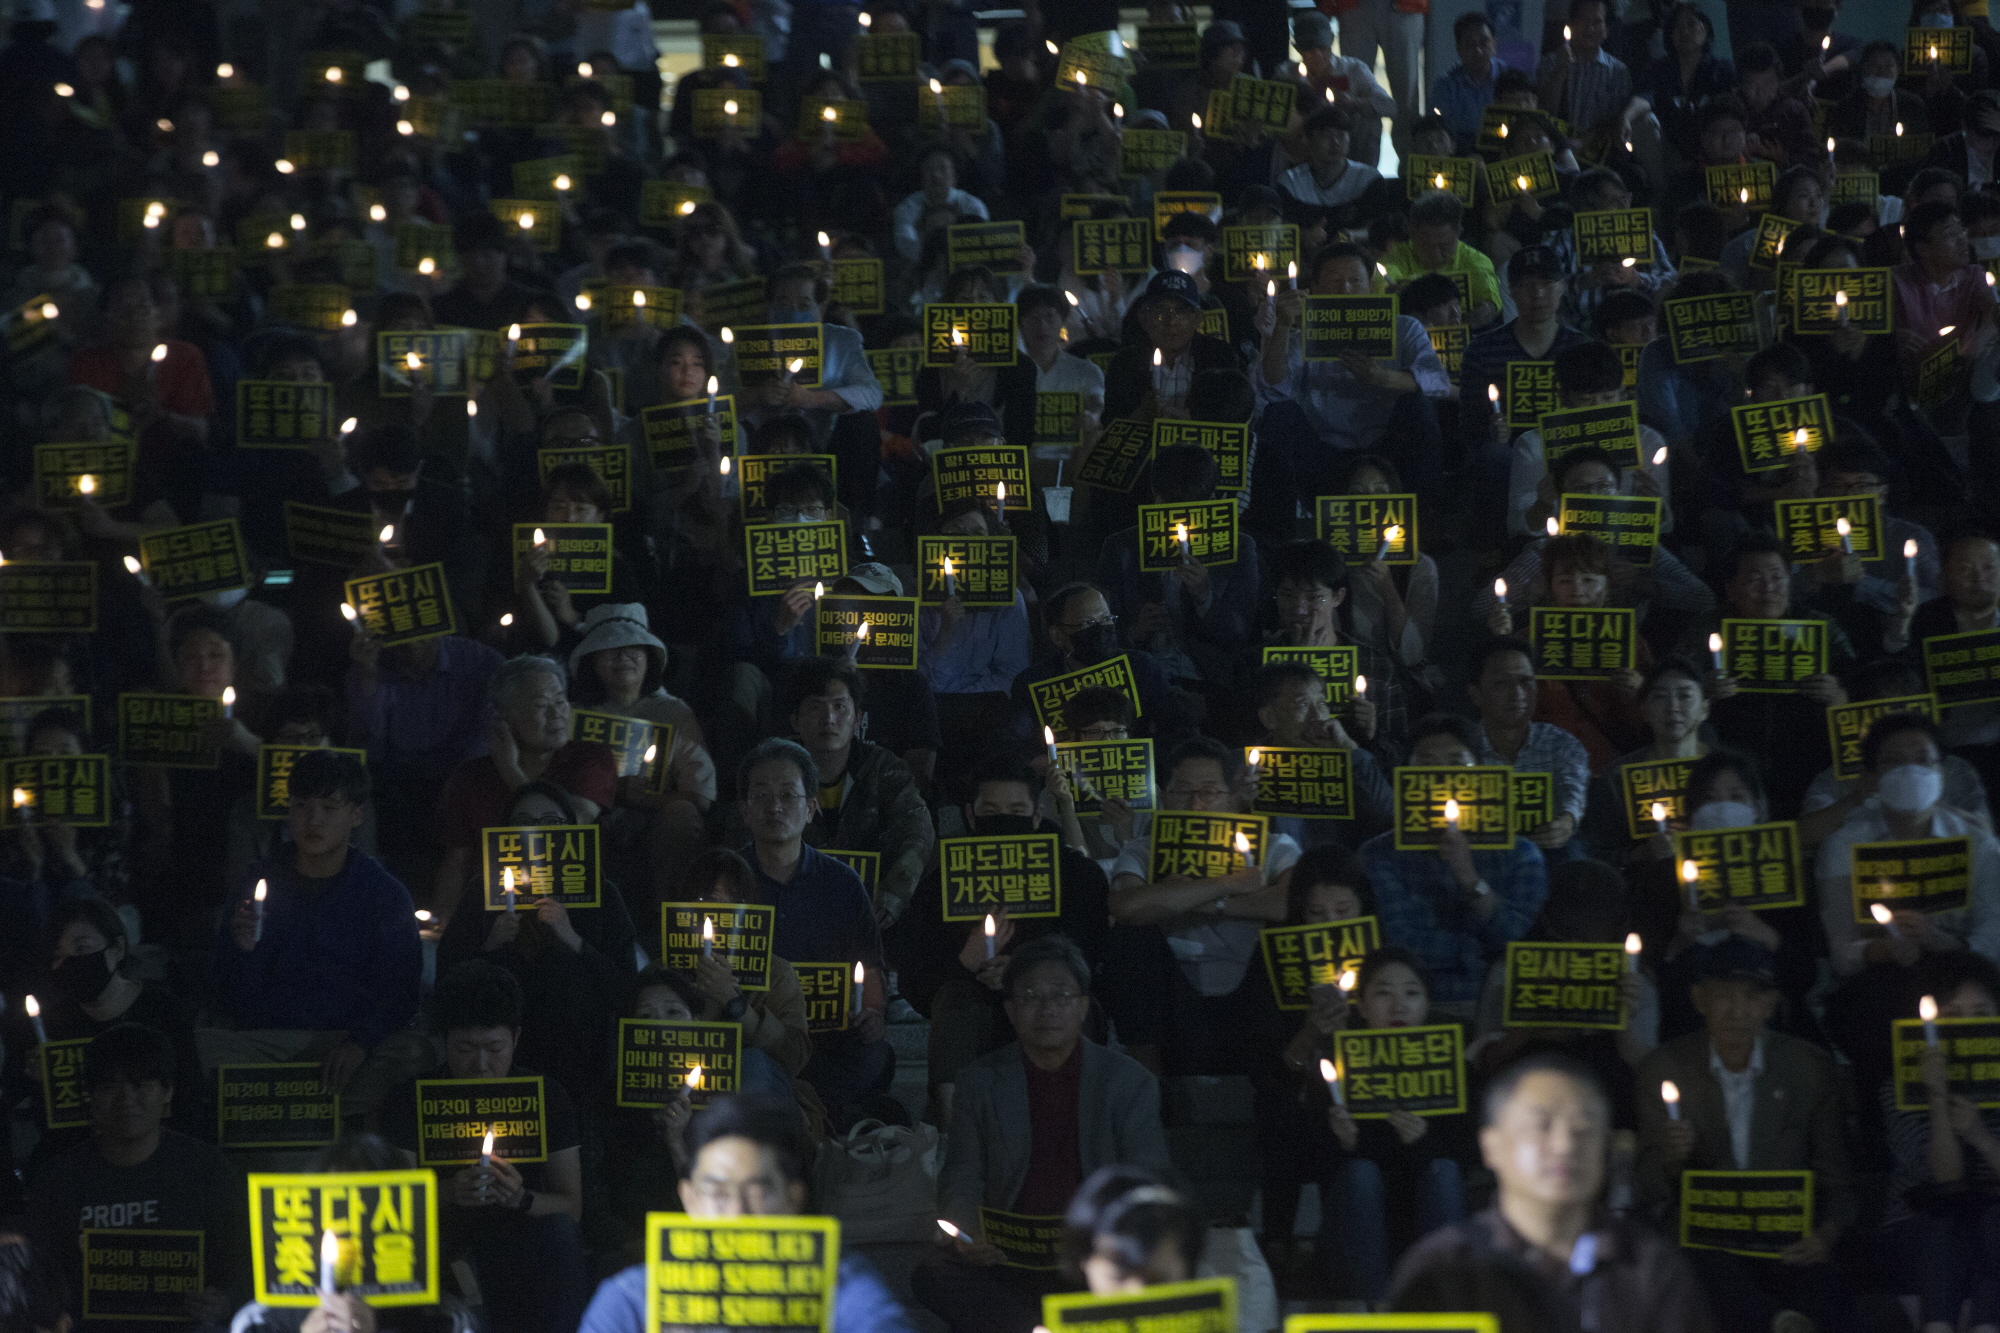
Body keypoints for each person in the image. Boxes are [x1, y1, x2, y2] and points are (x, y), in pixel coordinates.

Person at [914, 935, 1171, 1333]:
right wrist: (967, 1233)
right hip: (1008, 1255)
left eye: (1062, 995)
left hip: (1091, 1255)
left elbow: (1147, 1177)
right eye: (1032, 996)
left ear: (1084, 1006)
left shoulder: (1128, 1082)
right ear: (1012, 1010)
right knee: (933, 1273)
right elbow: (963, 1172)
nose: (1048, 1008)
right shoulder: (980, 1082)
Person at [1392, 1052, 1715, 1333]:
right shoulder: (1442, 1268)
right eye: (1540, 1126)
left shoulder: (1649, 1269)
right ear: (1491, 1146)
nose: (1564, 1145)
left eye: (1583, 1128)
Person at [1634, 936, 1854, 1333]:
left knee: (1823, 1283)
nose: (1737, 1010)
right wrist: (1670, 1158)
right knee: (1701, 1270)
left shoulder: (1808, 1068)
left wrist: (1825, 1235)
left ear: (1771, 1005)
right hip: (1706, 1242)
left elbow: (1837, 1179)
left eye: (1752, 997)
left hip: (1785, 1237)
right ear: (1700, 1000)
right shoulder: (1665, 1068)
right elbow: (1647, 1189)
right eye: (1723, 996)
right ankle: (1780, 1324)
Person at [577, 1096, 920, 1333]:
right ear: (690, 1199)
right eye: (718, 1192)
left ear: (793, 1199)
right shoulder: (632, 1299)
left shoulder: (841, 1285)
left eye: (760, 1190)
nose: (738, 1211)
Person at [891, 760, 1111, 1124]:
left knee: (1065, 1000)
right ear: (970, 816)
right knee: (954, 1002)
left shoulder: (1078, 876)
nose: (1003, 820)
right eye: (991, 811)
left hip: (1055, 1000)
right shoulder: (939, 883)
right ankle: (951, 1132)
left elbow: (1095, 960)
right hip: (970, 1005)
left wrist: (1027, 971)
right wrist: (964, 962)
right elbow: (917, 983)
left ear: (1037, 816)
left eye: (1016, 811)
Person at [208, 749, 424, 1115]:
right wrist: (243, 952)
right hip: (270, 1042)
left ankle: (285, 1105)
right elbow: (229, 996)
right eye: (302, 806)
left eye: (329, 808)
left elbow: (400, 991)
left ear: (356, 815)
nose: (313, 820)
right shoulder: (259, 881)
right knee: (203, 1050)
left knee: (414, 1054)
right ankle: (309, 1104)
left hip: (348, 1041)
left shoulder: (383, 894)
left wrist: (360, 1042)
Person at [379, 961, 589, 1333]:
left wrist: (522, 1198)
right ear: (444, 1041)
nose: (481, 1064)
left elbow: (570, 1205)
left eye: (494, 1048)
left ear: (517, 1038)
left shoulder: (546, 1097)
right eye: (464, 1048)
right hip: (443, 1234)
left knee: (560, 1234)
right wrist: (448, 1191)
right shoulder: (410, 1099)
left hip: (523, 1234)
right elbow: (394, 1204)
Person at [1098, 738, 1303, 1076]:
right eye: (1183, 791)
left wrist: (1194, 900)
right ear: (1164, 797)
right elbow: (1128, 906)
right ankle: (1150, 1086)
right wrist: (1229, 884)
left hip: (1253, 995)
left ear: (1231, 796)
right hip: (1171, 996)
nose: (1196, 802)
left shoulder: (1273, 845)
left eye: (1209, 791)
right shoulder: (1143, 848)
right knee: (1130, 939)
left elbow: (1290, 903)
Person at [26, 1023, 248, 1332]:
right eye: (108, 1087)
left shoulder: (207, 1170)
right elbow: (39, 1276)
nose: (125, 1098)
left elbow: (245, 1263)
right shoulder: (60, 1179)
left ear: (167, 1091)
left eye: (140, 1084)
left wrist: (224, 1300)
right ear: (90, 1097)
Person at [735, 737, 892, 1130]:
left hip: (831, 1041)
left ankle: (809, 1115)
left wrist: (872, 1011)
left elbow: (871, 967)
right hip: (757, 1040)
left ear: (810, 809)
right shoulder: (726, 881)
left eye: (788, 795)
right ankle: (820, 1121)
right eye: (762, 796)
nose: (775, 807)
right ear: (745, 810)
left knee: (875, 1056)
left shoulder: (842, 883)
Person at [1360, 714, 1550, 1017]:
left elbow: (1522, 942)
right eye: (1427, 764)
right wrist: (1478, 954)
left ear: (1481, 772)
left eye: (1456, 764)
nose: (1441, 777)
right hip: (1411, 1010)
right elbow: (1400, 941)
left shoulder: (1521, 854)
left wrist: (1469, 877)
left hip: (1498, 1007)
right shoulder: (1378, 854)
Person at [1320, 947, 1473, 1301]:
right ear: (1361, 1005)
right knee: (1360, 1175)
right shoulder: (1339, 1067)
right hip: (1356, 1236)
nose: (1398, 1005)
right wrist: (1347, 1142)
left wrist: (1423, 1141)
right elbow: (1316, 1170)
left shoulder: (1451, 1067)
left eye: (1411, 993)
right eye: (1383, 993)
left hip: (1424, 1225)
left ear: (1427, 1004)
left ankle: (1446, 1313)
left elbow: (1466, 1158)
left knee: (1444, 1171)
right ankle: (1374, 1316)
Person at [779, 657, 935, 925]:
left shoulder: (883, 767)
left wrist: (894, 894)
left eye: (840, 707)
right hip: (791, 907)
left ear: (857, 718)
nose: (829, 719)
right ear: (795, 721)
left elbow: (917, 831)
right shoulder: (772, 767)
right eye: (815, 708)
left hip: (870, 908)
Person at [1467, 638, 1592, 858]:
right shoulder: (1460, 747)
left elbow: (1573, 790)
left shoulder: (1561, 744)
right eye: (1502, 684)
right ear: (1475, 694)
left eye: (1526, 682)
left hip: (1545, 851)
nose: (1517, 694)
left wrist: (1566, 822)